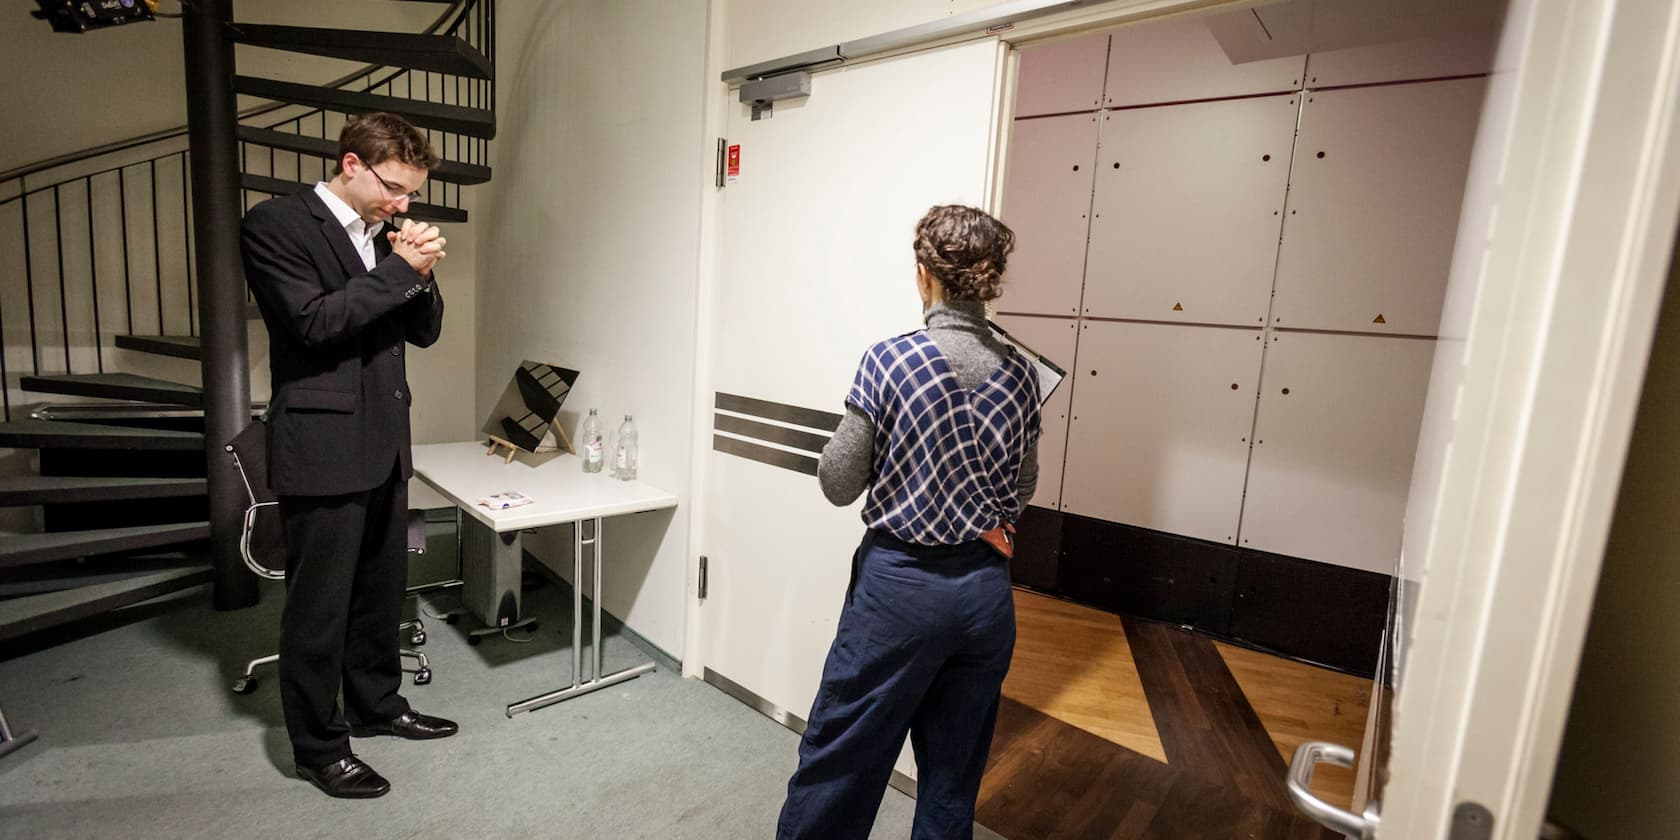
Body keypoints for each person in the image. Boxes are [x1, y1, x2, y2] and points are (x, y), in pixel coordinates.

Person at [778, 205, 1042, 839]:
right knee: (953, 778)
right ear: (991, 280)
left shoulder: (889, 361)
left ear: (925, 275)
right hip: (984, 597)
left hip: (898, 593)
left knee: (840, 760)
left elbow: (838, 484)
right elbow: (1024, 485)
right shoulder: (1023, 374)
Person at [240, 112, 456, 799]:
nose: (403, 205)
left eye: (412, 195)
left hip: (386, 442)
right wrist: (399, 268)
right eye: (394, 188)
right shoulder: (277, 225)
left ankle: (379, 705)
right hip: (323, 445)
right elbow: (315, 324)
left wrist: (418, 272)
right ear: (352, 164)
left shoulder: (385, 234)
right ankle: (320, 747)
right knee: (319, 609)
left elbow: (423, 332)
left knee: (378, 595)